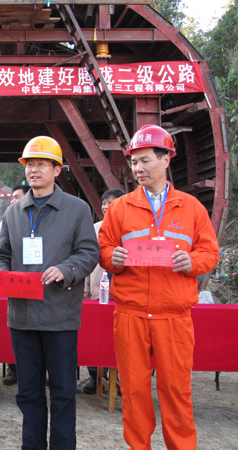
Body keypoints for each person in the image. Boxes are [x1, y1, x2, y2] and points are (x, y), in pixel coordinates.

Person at [99, 124, 219, 450]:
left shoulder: (191, 208)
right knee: (134, 390)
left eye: (145, 160)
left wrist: (191, 262)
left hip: (173, 316)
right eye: (134, 162)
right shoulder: (121, 208)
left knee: (176, 391)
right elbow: (104, 250)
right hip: (131, 313)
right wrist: (113, 258)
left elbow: (210, 252)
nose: (138, 168)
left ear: (166, 159)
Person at [0, 136, 99, 450]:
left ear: (57, 169)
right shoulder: (14, 213)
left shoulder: (77, 209)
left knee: (63, 392)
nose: (34, 170)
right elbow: (1, 254)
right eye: (29, 165)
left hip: (59, 316)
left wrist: (65, 269)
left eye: (41, 164)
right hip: (22, 317)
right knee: (28, 392)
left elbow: (88, 253)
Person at [79, 188, 125, 395]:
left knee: (120, 339)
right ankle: (95, 377)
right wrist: (85, 290)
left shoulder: (132, 229)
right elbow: (86, 262)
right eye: (104, 203)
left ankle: (120, 379)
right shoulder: (95, 229)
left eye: (111, 203)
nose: (106, 207)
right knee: (95, 336)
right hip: (98, 292)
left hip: (124, 295)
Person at [0, 183, 30, 386]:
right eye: (12, 197)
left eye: (17, 197)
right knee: (14, 331)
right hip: (14, 283)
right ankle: (14, 369)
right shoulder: (9, 217)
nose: (13, 200)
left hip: (43, 285)